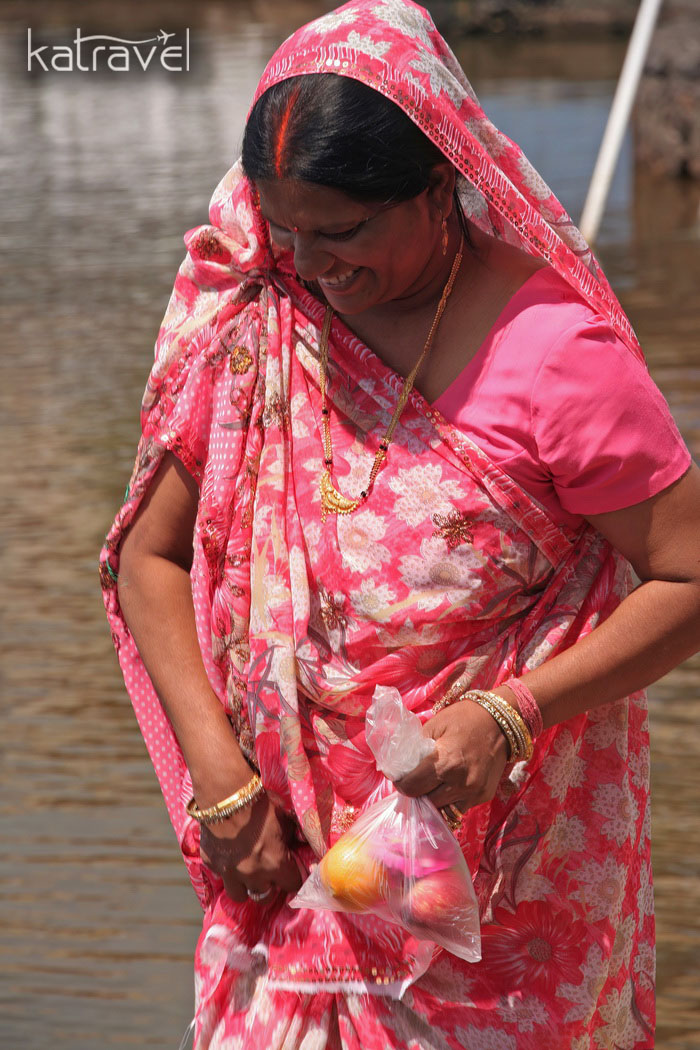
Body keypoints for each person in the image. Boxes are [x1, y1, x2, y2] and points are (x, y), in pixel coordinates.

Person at [100, 1, 700, 1046]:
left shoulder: (555, 355)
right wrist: (221, 781)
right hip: (285, 876)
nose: (314, 262)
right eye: (287, 226)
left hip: (491, 895)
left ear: (437, 186)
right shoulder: (261, 316)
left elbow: (688, 576)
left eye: (344, 231)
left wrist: (511, 715)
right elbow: (148, 557)